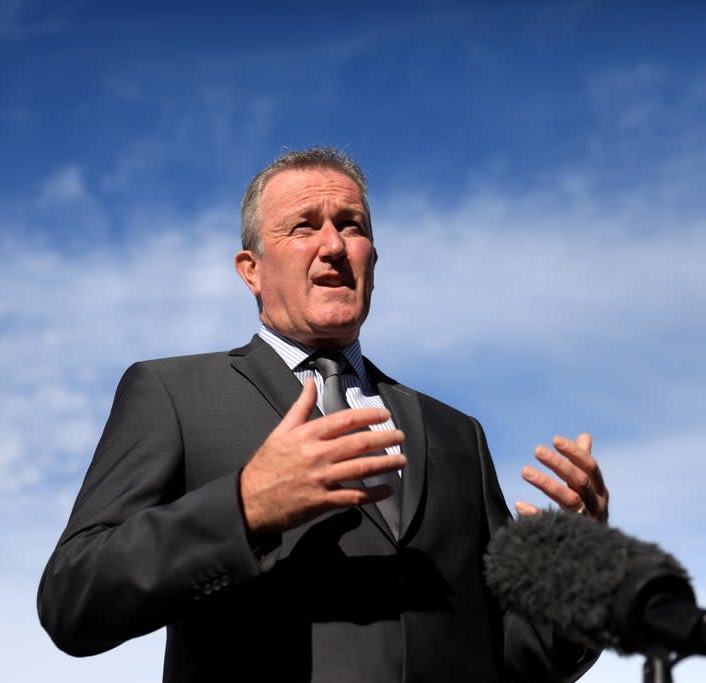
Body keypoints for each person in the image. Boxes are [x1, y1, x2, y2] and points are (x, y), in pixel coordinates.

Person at [38, 147, 610, 682]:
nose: (334, 245)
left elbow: (515, 655)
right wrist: (244, 508)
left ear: (373, 261)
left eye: (351, 225)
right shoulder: (175, 394)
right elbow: (74, 598)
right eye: (304, 226)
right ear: (251, 270)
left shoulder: (456, 433)